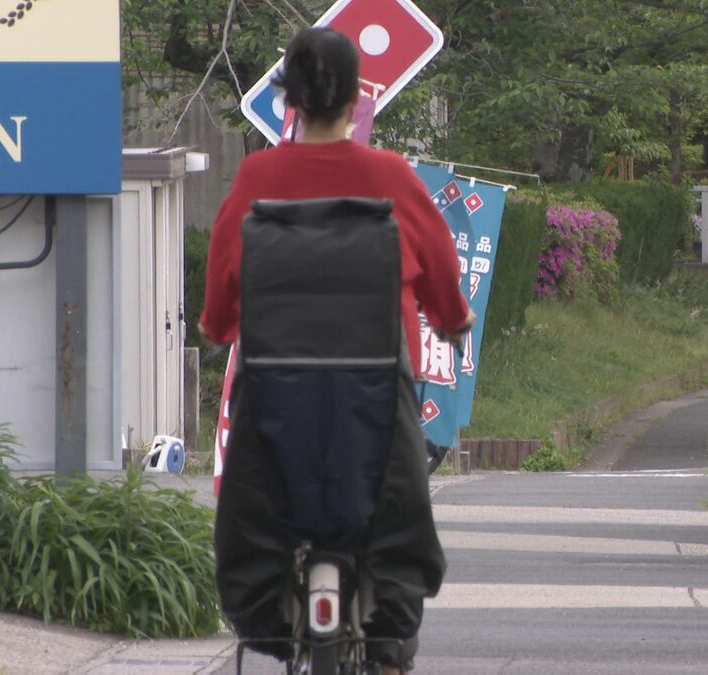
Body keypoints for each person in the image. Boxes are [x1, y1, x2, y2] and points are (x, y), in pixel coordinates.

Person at [199, 27, 474, 675]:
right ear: (356, 100)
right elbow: (440, 274)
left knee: (257, 520)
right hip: (376, 402)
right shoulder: (390, 176)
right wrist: (452, 320)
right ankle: (384, 653)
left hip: (274, 402)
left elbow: (220, 294)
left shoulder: (256, 176)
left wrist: (219, 327)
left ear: (289, 100)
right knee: (399, 527)